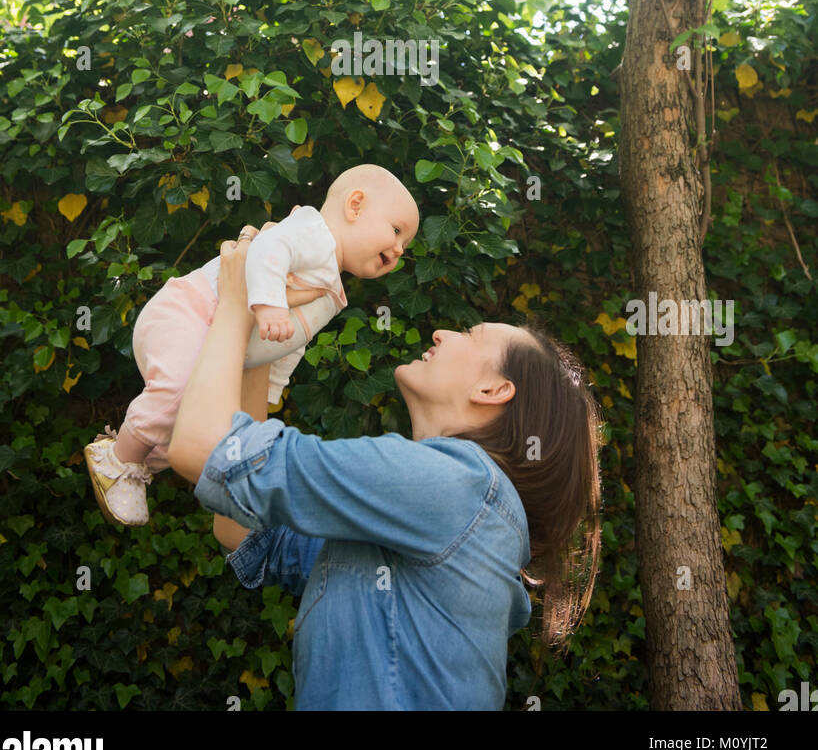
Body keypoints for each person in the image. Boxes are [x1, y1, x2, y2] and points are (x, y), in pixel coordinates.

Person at [167, 225, 604, 712]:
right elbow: (246, 532)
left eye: (471, 335)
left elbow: (204, 450)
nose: (443, 332)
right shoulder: (442, 519)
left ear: (493, 390)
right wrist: (261, 338)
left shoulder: (455, 486)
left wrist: (232, 301)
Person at [84, 164, 419, 527]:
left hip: (208, 336)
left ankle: (139, 463)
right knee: (178, 391)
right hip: (188, 313)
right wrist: (271, 302)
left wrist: (273, 385)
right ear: (355, 206)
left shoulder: (330, 283)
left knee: (194, 424)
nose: (400, 249)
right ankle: (119, 460)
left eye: (406, 244)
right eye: (397, 231)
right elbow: (267, 250)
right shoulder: (313, 233)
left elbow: (292, 338)